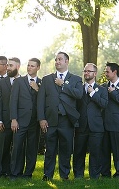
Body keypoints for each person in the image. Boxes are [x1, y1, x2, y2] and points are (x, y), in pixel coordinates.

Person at [38, 52, 83, 181]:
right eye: (56, 59)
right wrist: (41, 118)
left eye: (60, 59)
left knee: (66, 149)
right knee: (50, 149)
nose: (57, 62)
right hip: (50, 119)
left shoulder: (76, 79)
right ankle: (47, 175)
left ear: (67, 61)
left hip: (67, 120)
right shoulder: (46, 79)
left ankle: (64, 175)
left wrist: (63, 84)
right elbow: (40, 101)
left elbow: (79, 94)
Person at [73, 63, 108, 179]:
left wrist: (93, 93)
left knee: (96, 153)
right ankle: (78, 175)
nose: (86, 73)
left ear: (95, 73)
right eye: (85, 71)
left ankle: (94, 176)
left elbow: (104, 104)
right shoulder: (79, 89)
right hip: (81, 125)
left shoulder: (102, 90)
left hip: (96, 126)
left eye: (89, 71)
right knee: (78, 152)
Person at [10, 58, 42, 179]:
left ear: (38, 67)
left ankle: (28, 173)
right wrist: (13, 119)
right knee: (17, 147)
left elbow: (44, 101)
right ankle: (15, 173)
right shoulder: (19, 81)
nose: (29, 67)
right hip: (20, 120)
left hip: (34, 121)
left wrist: (37, 89)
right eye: (28, 65)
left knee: (32, 148)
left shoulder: (41, 82)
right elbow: (13, 101)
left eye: (32, 66)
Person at [101, 63, 119, 178]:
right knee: (104, 150)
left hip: (118, 123)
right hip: (104, 123)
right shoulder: (103, 86)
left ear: (115, 72)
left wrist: (113, 93)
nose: (105, 73)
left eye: (107, 71)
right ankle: (105, 173)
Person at [0, 57, 20, 178]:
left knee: (17, 148)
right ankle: (0, 171)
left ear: (18, 66)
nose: (8, 68)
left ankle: (13, 171)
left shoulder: (23, 81)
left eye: (11, 65)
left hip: (19, 120)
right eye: (8, 65)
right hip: (4, 120)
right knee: (3, 147)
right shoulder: (1, 83)